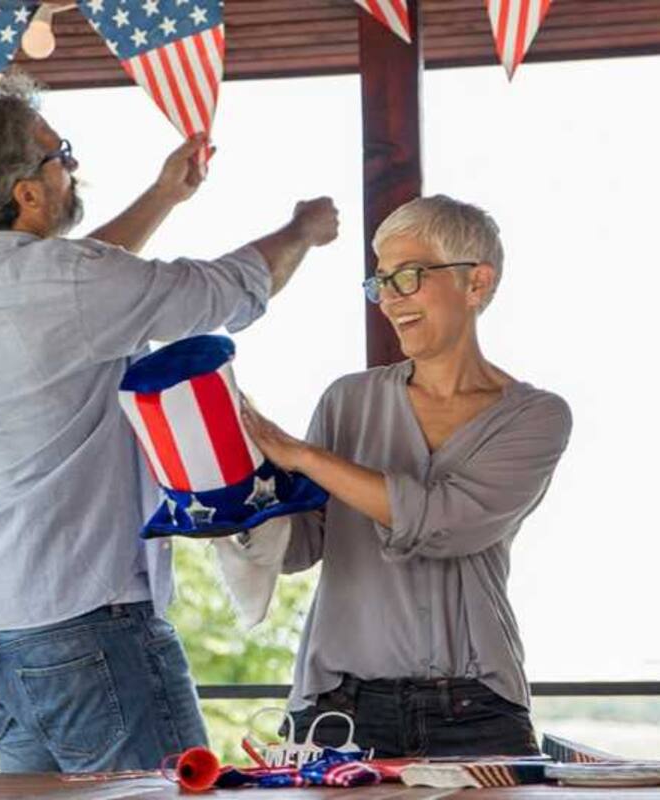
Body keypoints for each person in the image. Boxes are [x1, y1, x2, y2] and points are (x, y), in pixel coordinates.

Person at [0, 74, 339, 773]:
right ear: (27, 194)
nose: (73, 164)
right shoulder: (73, 285)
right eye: (59, 155)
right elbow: (224, 291)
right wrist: (301, 232)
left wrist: (164, 196)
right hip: (94, 629)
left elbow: (80, 277)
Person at [238, 195, 571, 758]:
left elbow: (447, 524)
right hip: (337, 711)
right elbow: (301, 545)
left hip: (476, 711)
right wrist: (232, 497)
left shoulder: (536, 416)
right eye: (382, 282)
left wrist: (305, 457)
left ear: (476, 282)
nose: (390, 298)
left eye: (409, 276)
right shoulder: (347, 401)